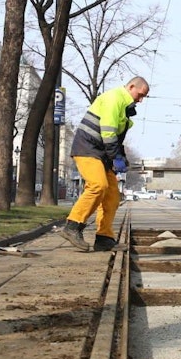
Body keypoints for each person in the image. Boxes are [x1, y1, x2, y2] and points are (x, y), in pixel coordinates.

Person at [63, 76, 149, 252]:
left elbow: (115, 139)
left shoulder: (123, 106)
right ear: (131, 86)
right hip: (87, 148)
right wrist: (115, 158)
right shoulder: (114, 98)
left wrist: (120, 157)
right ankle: (72, 227)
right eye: (140, 95)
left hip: (100, 153)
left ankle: (104, 238)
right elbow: (108, 133)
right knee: (98, 185)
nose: (140, 100)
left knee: (112, 196)